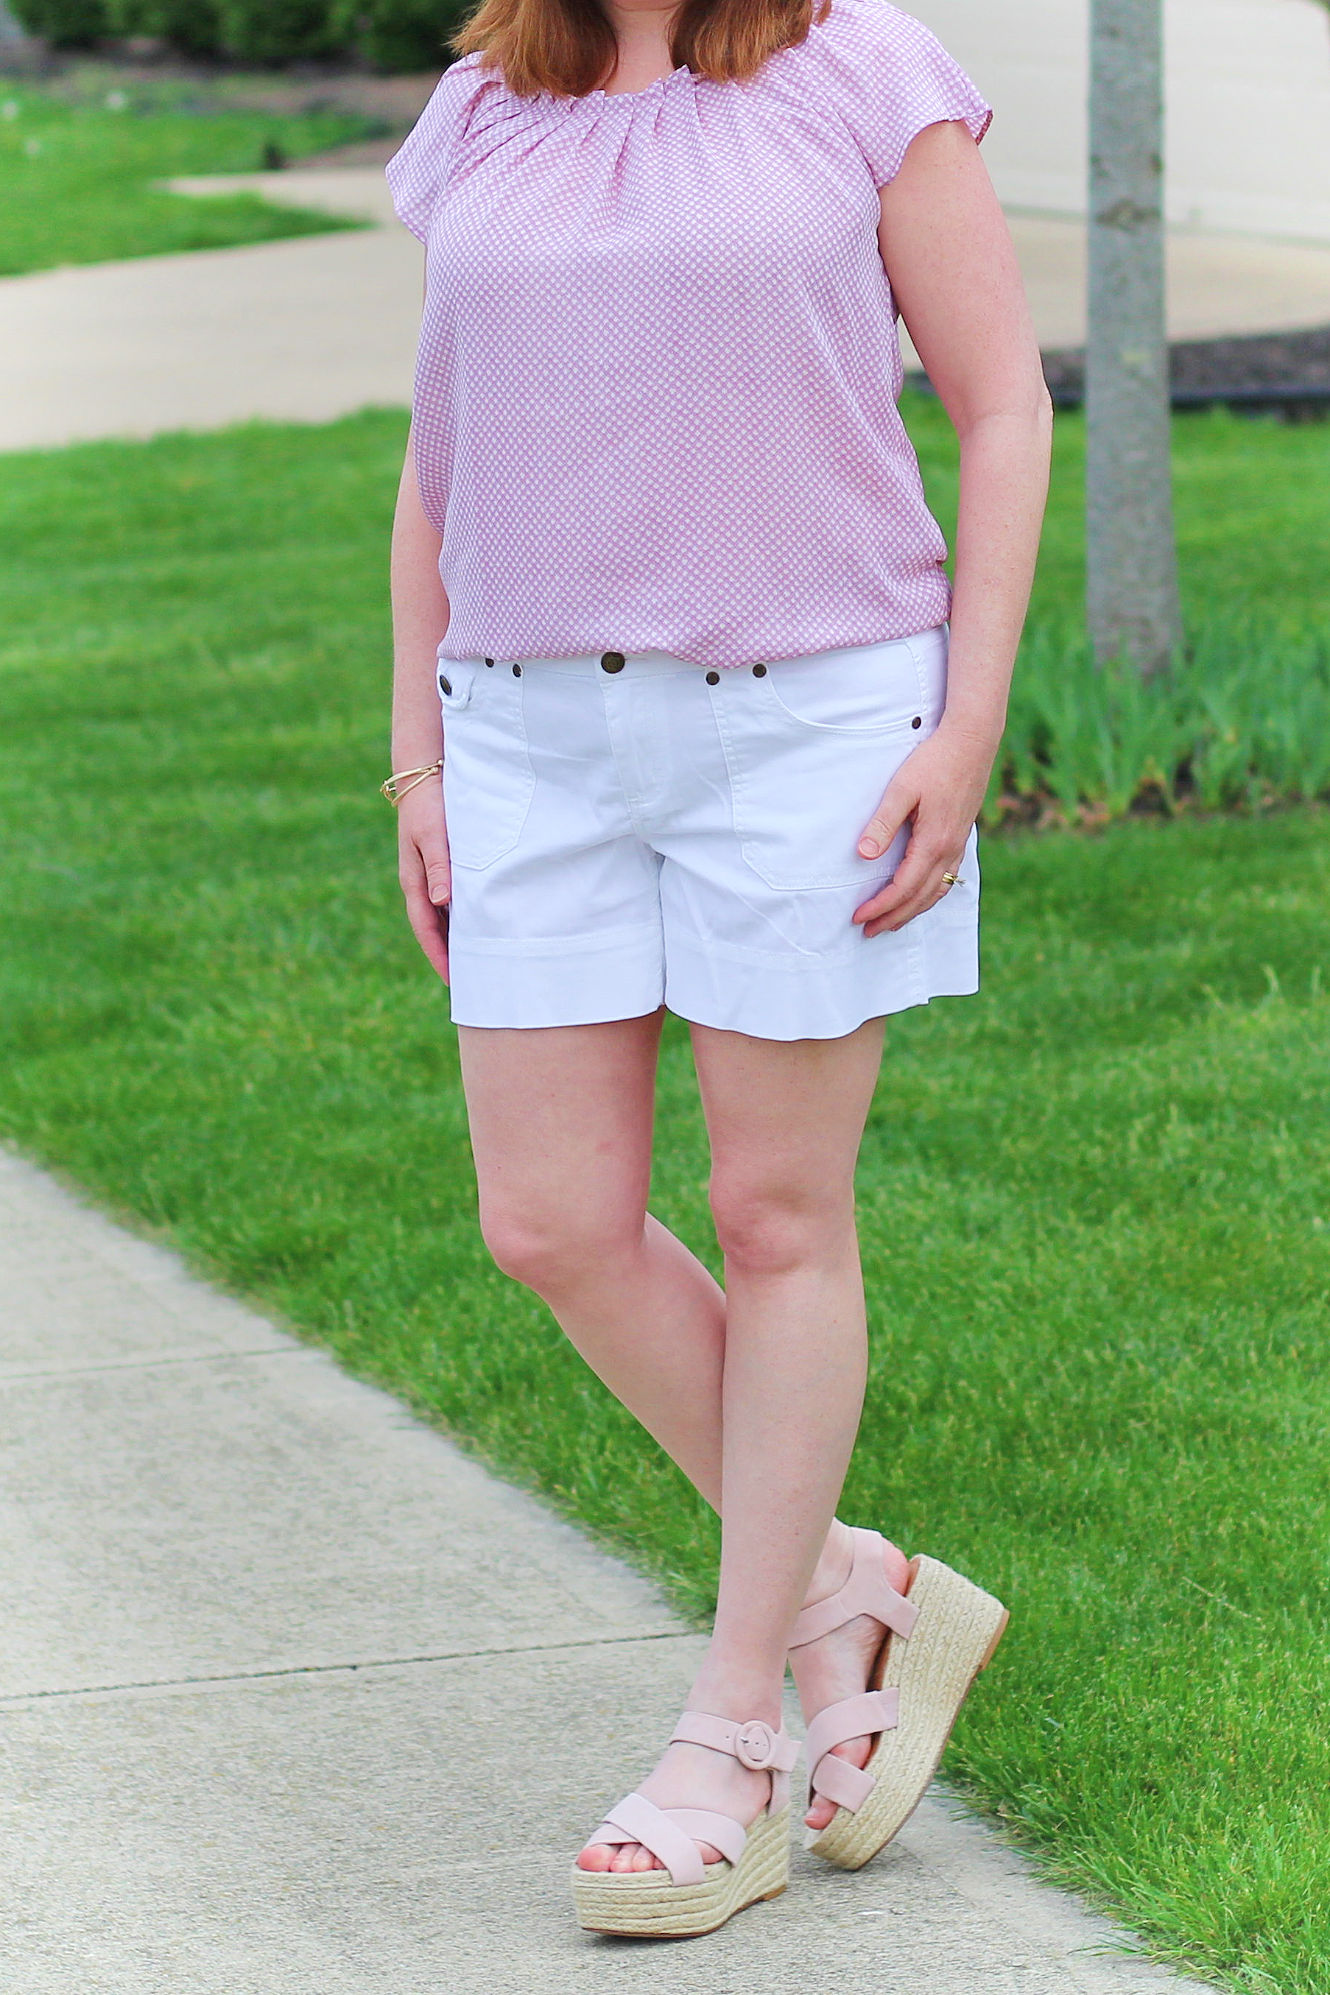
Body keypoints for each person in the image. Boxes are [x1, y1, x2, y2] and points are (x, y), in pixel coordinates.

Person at [383, 0, 1052, 1941]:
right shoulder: (481, 105)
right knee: (549, 1217)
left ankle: (730, 1735)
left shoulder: (859, 72)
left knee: (772, 1212)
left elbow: (998, 402)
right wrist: (417, 746)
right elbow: (439, 459)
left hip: (810, 723)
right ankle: (849, 1591)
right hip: (524, 730)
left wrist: (963, 718)